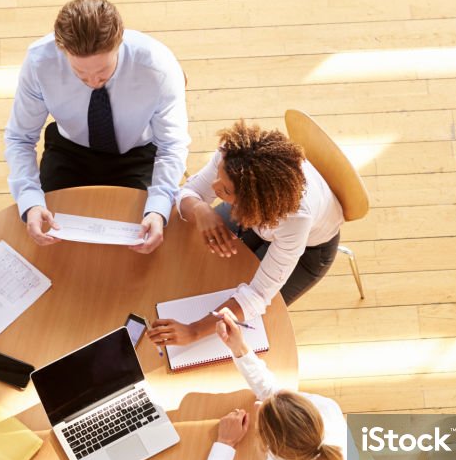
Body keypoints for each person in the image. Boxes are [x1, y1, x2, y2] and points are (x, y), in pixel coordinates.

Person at [4, 0, 189, 253]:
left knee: (140, 245)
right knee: (52, 247)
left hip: (137, 154)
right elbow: (19, 138)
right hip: (70, 150)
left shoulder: (158, 66)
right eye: (80, 73)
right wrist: (30, 200)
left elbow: (171, 146)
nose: (92, 81)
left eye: (103, 71)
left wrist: (158, 208)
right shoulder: (39, 62)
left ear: (119, 42)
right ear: (61, 48)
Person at [147, 120, 343, 348]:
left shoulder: (296, 218)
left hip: (309, 251)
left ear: (252, 201)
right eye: (219, 176)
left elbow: (257, 296)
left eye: (225, 190)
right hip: (255, 217)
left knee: (249, 326)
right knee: (198, 268)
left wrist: (193, 331)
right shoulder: (231, 157)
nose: (214, 188)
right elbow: (190, 191)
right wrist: (201, 209)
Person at [190, 309, 354, 460]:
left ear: (270, 450)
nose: (258, 405)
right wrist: (240, 348)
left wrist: (225, 443)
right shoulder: (324, 408)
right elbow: (274, 393)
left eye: (260, 423)